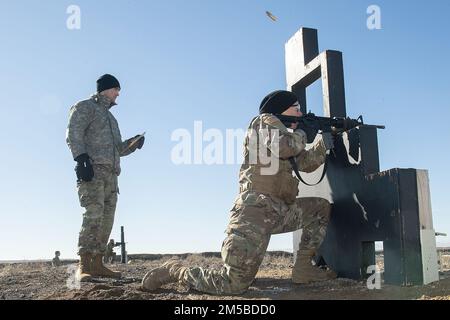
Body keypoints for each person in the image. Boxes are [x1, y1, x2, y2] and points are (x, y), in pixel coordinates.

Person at [142, 90, 336, 295]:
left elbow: (304, 163)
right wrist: (304, 132)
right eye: (296, 109)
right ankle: (176, 271)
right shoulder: (263, 121)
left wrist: (324, 143)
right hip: (255, 212)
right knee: (233, 284)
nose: (300, 113)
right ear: (281, 110)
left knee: (319, 207)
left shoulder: (285, 135)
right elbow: (284, 147)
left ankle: (303, 268)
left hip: (281, 210)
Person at [66, 74, 145, 282]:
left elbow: (118, 149)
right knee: (93, 215)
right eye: (116, 89)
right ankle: (83, 266)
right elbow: (74, 132)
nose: (118, 94)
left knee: (107, 220)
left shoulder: (111, 118)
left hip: (111, 176)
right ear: (105, 89)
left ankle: (98, 263)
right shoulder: (85, 107)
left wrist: (133, 143)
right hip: (92, 171)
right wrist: (81, 159)